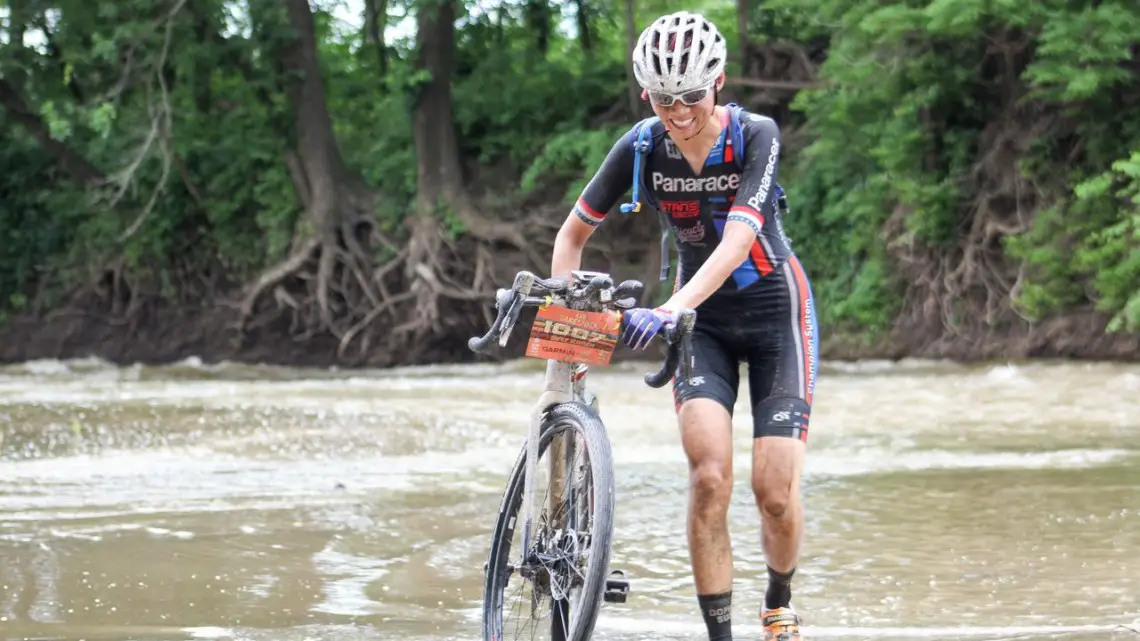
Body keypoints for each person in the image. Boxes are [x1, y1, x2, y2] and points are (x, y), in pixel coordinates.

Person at [548, 10, 819, 641]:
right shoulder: (643, 147)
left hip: (777, 312)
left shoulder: (757, 134)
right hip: (705, 329)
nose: (679, 110)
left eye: (692, 95)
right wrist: (568, 333)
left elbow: (737, 240)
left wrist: (671, 308)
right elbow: (572, 236)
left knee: (773, 491)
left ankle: (779, 602)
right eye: (664, 97)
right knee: (709, 478)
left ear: (718, 81)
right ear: (647, 94)